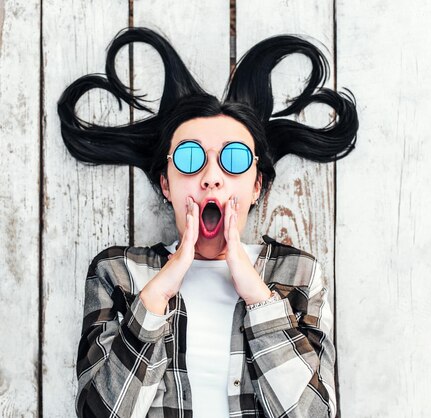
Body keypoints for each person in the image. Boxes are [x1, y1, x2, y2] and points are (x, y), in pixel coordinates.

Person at [58, 27, 358, 417]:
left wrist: (258, 297)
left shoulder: (298, 273)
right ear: (166, 184)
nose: (211, 177)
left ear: (256, 186)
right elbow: (100, 413)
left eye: (232, 159)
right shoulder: (117, 272)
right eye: (189, 158)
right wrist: (157, 291)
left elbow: (315, 415)